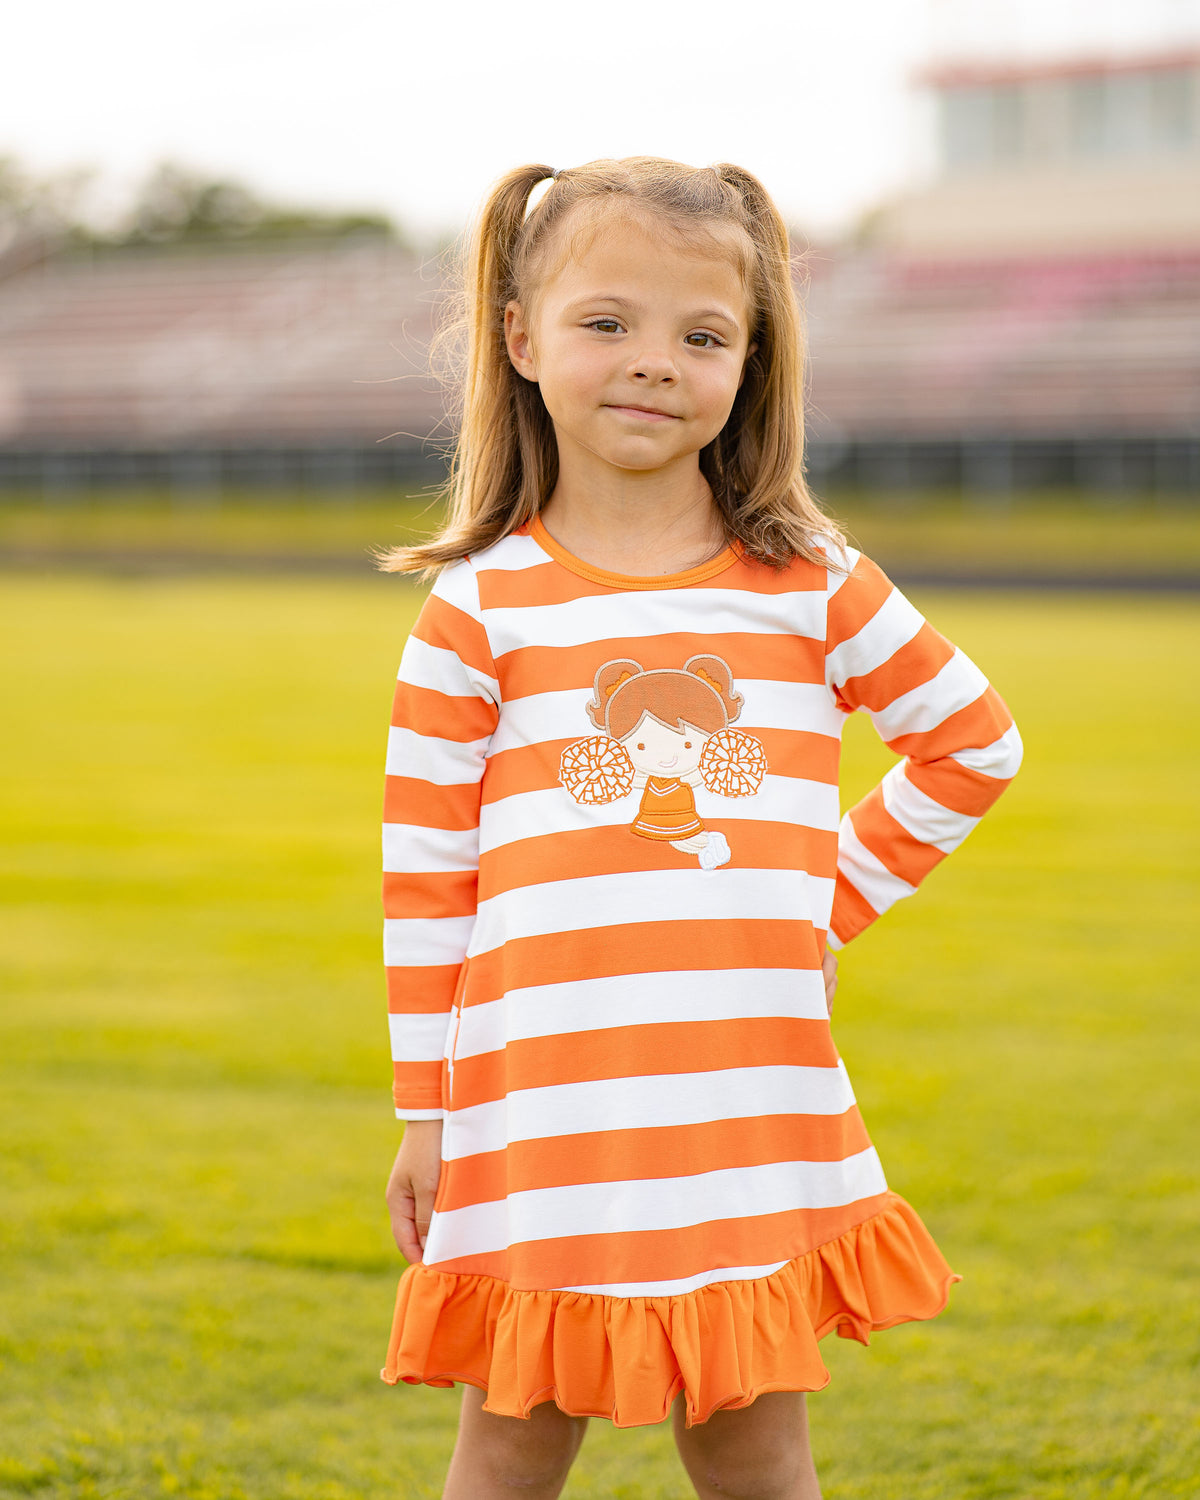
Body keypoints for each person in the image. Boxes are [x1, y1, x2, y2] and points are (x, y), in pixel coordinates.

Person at [375, 156, 1022, 1500]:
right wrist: (423, 1115)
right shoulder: (478, 612)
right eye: (607, 322)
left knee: (751, 1444)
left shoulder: (809, 582)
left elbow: (973, 742)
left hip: (744, 1095)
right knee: (509, 1439)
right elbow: (427, 880)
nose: (654, 362)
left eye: (702, 334)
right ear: (522, 338)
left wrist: (824, 907)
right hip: (536, 1100)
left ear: (751, 358)